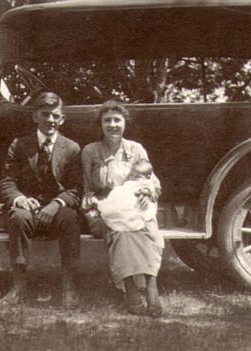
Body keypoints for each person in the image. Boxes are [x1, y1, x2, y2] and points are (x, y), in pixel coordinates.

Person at [81, 100, 163, 317]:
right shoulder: (91, 151)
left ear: (125, 123)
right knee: (120, 231)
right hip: (106, 209)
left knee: (146, 228)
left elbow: (153, 182)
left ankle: (152, 286)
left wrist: (147, 193)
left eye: (117, 120)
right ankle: (130, 288)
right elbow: (87, 188)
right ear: (100, 124)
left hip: (135, 204)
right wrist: (96, 207)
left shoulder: (136, 149)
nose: (112, 125)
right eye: (107, 120)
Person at [0, 92, 82, 308]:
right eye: (45, 115)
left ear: (62, 119)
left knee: (70, 219)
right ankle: (18, 287)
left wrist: (56, 204)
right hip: (29, 207)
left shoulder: (72, 148)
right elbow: (6, 181)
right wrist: (19, 198)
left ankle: (69, 288)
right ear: (35, 116)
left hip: (57, 209)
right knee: (18, 218)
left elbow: (76, 188)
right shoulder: (19, 145)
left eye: (55, 116)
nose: (50, 120)